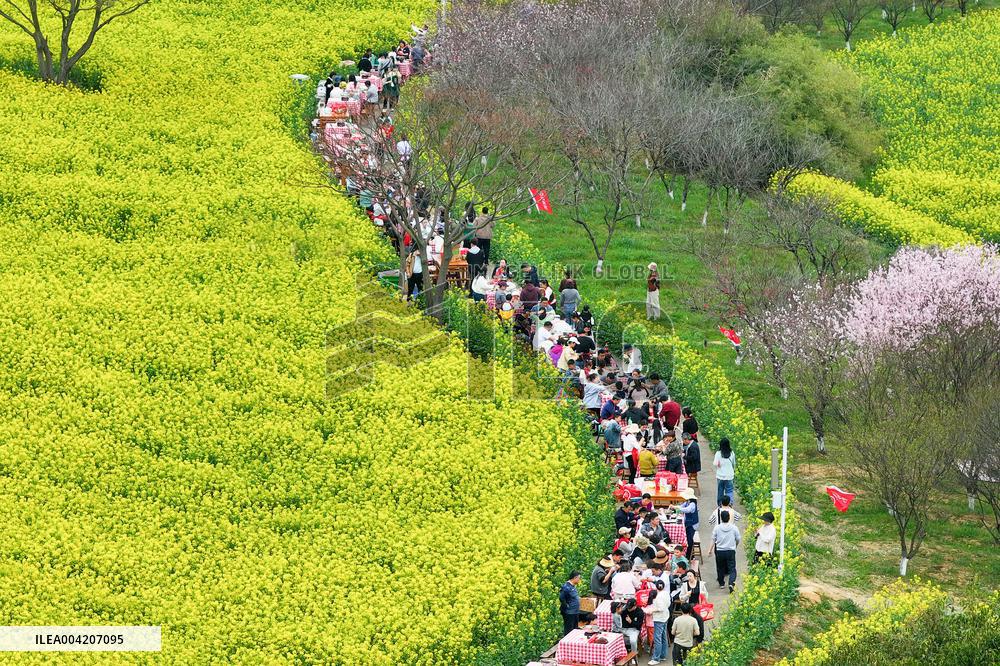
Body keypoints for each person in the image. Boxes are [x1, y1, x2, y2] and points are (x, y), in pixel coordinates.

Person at [709, 510, 741, 593]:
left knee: (720, 567)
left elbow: (713, 539)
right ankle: (731, 583)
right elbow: (738, 539)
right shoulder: (734, 528)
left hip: (720, 550)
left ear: (721, 518)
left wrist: (710, 549)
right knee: (732, 569)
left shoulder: (717, 527)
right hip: (730, 550)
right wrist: (735, 545)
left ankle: (721, 583)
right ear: (729, 518)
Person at [645, 582, 671, 665]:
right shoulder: (666, 593)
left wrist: (651, 610)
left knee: (657, 638)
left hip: (659, 619)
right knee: (663, 637)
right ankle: (663, 655)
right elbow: (668, 604)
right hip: (665, 616)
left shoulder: (658, 597)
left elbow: (660, 608)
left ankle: (656, 658)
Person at [674, 496, 699, 561]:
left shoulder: (692, 504)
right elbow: (682, 506)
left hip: (692, 524)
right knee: (688, 538)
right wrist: (677, 506)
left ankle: (689, 556)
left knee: (689, 540)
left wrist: (677, 508)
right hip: (689, 523)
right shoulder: (687, 502)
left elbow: (687, 510)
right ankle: (691, 555)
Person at [714, 437, 736, 506]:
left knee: (720, 491)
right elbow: (734, 464)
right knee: (729, 491)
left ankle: (720, 505)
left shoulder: (718, 453)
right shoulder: (732, 453)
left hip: (720, 476)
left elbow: (715, 463)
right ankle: (730, 504)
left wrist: (718, 464)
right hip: (729, 476)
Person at [559, 571, 582, 635]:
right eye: (579, 578)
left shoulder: (573, 586)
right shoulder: (566, 587)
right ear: (575, 578)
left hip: (575, 611)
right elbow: (561, 598)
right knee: (569, 630)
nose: (579, 580)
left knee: (575, 628)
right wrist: (567, 606)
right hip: (569, 612)